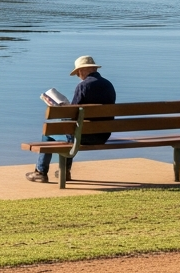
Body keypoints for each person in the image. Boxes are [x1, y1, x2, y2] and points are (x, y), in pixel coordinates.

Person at [26, 55, 117, 183]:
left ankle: (40, 172)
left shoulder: (83, 86)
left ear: (83, 70)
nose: (78, 76)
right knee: (72, 130)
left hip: (83, 137)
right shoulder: (109, 85)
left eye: (78, 72)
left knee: (49, 134)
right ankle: (64, 171)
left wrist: (61, 107)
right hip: (103, 135)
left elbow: (73, 114)